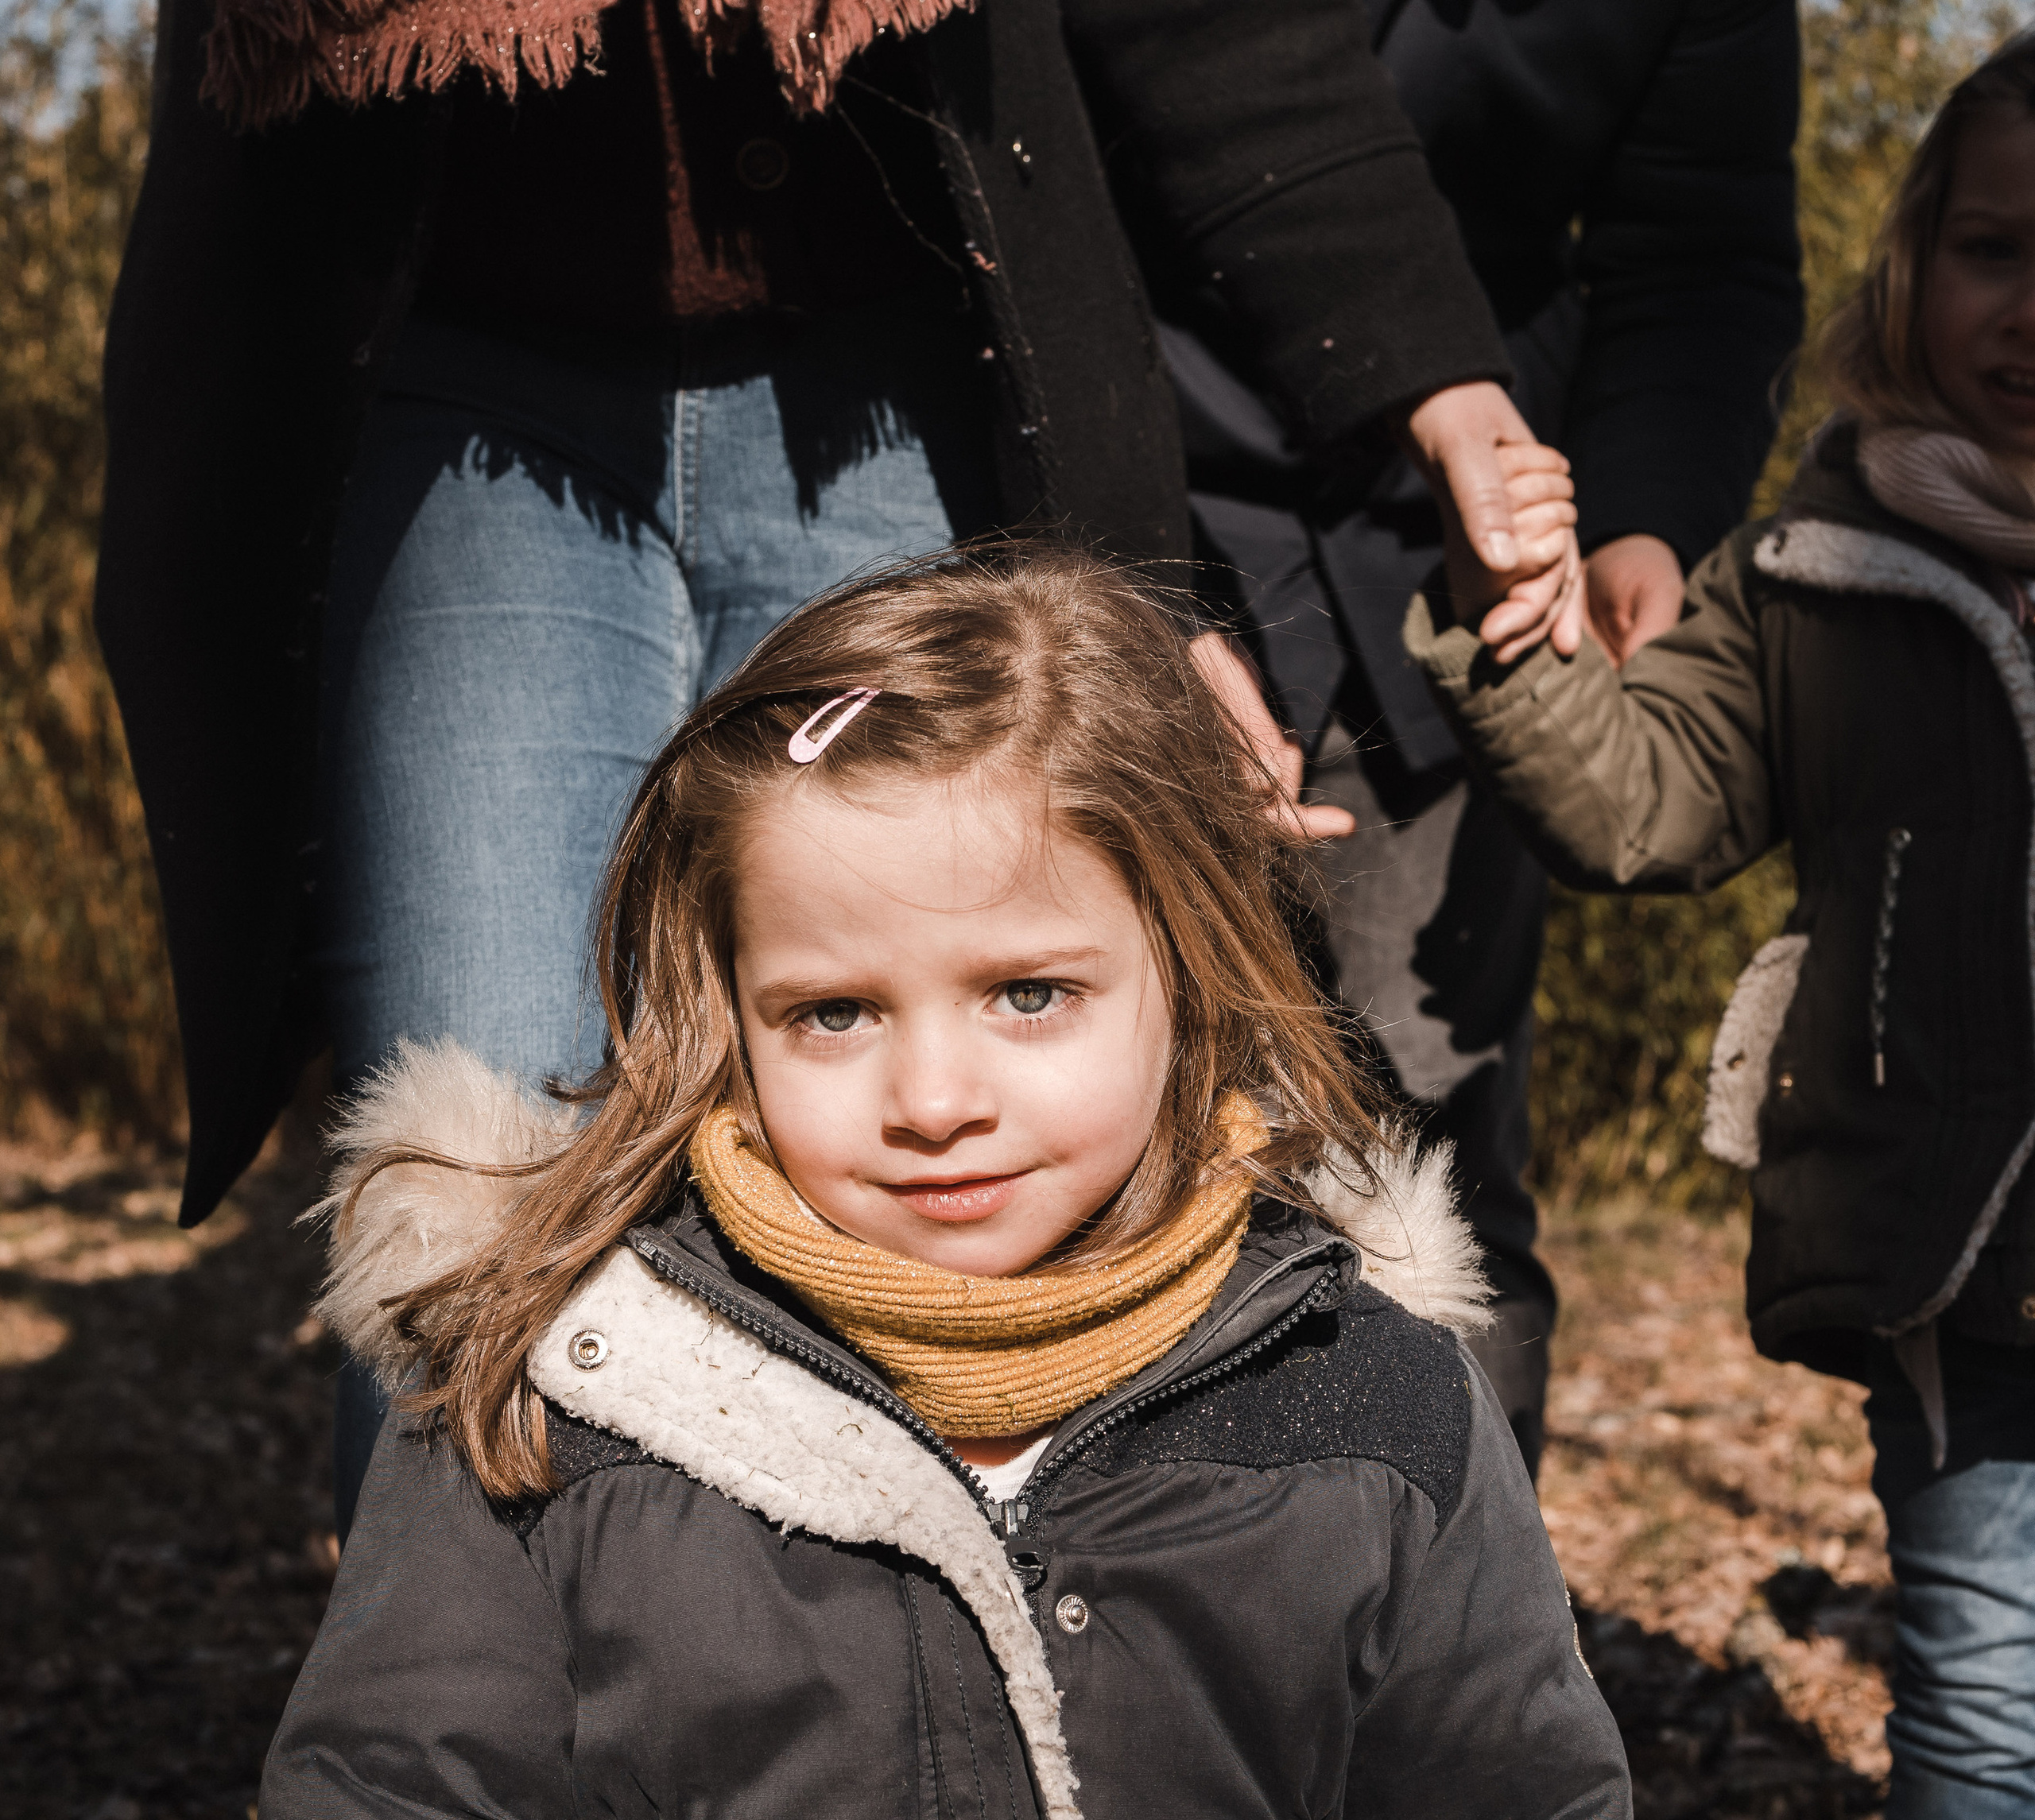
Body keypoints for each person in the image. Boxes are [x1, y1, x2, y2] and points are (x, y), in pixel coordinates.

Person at [97, 0, 1579, 1534]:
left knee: (967, 1141)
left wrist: (1437, 383)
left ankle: (966, 1716)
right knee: (485, 1174)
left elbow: (1205, 31)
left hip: (892, 374)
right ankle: (477, 1730)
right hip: (461, 398)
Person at [195, 547, 1669, 1820]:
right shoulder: (549, 1393)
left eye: (1030, 993)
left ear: (1190, 964)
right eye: (833, 1012)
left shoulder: (1372, 1402)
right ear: (727, 1008)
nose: (935, 1097)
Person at [1409, 37, 2035, 1820]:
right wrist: (1515, 632)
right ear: (1910, 269)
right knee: (1987, 1649)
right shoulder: (1824, 570)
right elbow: (1644, 800)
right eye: (1996, 249)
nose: (2031, 310)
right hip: (1961, 1225)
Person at [1158, 0, 1804, 1477]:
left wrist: (1650, 523)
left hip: (1469, 565)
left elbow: (1700, 251)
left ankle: (1458, 1656)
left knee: (1423, 1164)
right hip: (1110, 493)